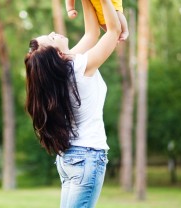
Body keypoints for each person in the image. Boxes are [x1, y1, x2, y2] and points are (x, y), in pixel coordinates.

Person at [24, 0, 121, 207]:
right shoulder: (76, 68)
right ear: (56, 55)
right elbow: (113, 32)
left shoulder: (64, 70)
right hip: (86, 157)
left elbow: (91, 34)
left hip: (70, 159)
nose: (53, 32)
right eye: (51, 38)